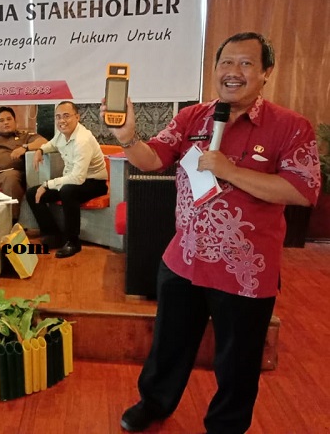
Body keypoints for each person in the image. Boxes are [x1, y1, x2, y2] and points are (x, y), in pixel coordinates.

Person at [105, 32, 320, 433]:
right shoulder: (193, 117)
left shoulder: (290, 126)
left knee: (237, 361)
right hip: (183, 260)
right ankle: (154, 403)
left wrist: (230, 171)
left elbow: (302, 191)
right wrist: (127, 137)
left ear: (266, 72)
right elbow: (152, 160)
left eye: (246, 63)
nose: (233, 71)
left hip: (244, 272)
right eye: (226, 63)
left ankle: (226, 426)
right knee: (169, 345)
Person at [26, 101, 108, 258]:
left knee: (67, 191)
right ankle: (53, 235)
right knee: (32, 193)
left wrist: (47, 184)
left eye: (66, 116)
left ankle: (73, 241)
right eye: (58, 117)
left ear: (77, 117)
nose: (62, 121)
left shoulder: (82, 140)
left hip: (94, 183)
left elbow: (77, 178)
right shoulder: (61, 135)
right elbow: (51, 145)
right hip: (72, 181)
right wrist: (40, 150)